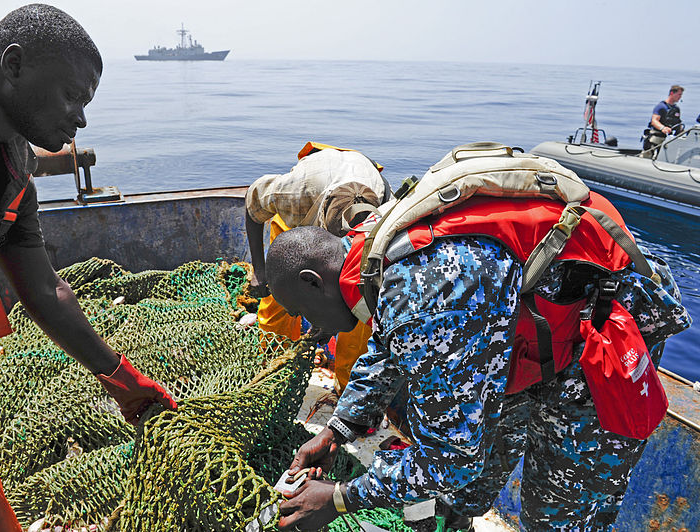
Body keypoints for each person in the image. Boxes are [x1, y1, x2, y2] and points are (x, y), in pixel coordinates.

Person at [266, 187, 689, 530]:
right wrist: (339, 430)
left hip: (598, 333)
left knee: (556, 513)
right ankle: (457, 518)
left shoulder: (424, 294)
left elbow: (450, 458)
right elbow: (388, 343)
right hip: (524, 328)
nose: (309, 326)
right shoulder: (367, 247)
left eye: (302, 313)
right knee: (469, 484)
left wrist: (338, 500)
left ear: (312, 280)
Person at [0, 5, 176, 530]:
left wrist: (118, 376)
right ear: (15, 64)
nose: (81, 119)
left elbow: (44, 290)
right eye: (72, 96)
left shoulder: (12, 166)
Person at [245, 142, 391, 390]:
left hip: (365, 230)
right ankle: (272, 365)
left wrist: (330, 320)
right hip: (307, 206)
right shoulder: (295, 194)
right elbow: (252, 205)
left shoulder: (387, 219)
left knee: (363, 313)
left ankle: (347, 389)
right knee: (279, 296)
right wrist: (260, 271)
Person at [643, 85, 684, 153]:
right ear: (672, 93)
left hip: (669, 138)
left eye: (681, 95)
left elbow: (678, 123)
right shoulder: (661, 106)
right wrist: (663, 128)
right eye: (679, 94)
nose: (680, 97)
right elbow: (654, 121)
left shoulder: (676, 109)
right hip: (657, 136)